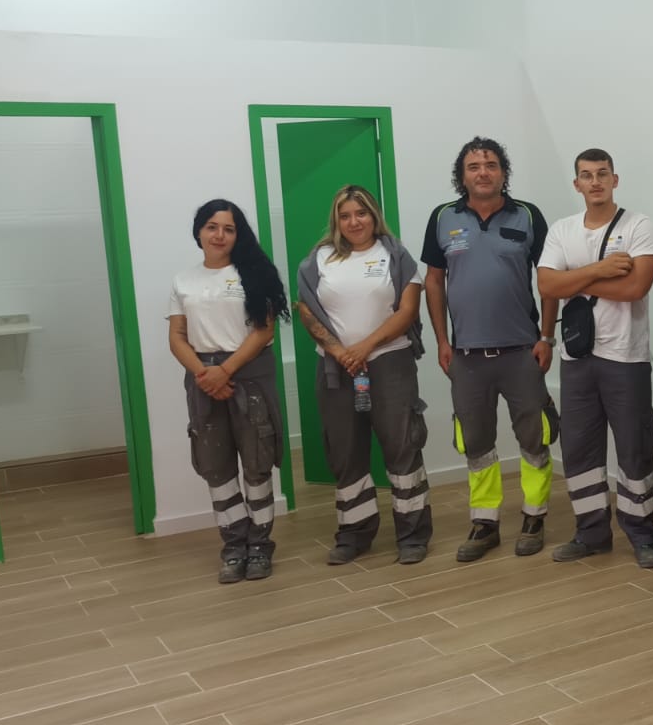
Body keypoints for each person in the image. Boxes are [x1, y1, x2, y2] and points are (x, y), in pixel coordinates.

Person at [422, 137, 559, 562]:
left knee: (534, 436)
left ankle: (534, 516)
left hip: (522, 351)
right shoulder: (443, 217)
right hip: (466, 355)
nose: (483, 172)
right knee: (475, 440)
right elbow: (433, 281)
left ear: (503, 172)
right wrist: (442, 340)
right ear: (462, 176)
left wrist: (546, 337)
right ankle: (485, 522)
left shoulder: (528, 215)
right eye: (474, 166)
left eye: (491, 165)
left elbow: (550, 279)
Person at [536, 149, 653, 567]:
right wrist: (599, 270)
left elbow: (635, 289)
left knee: (634, 448)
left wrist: (572, 278)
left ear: (615, 179)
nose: (595, 182)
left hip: (626, 357)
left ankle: (642, 535)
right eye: (587, 175)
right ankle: (591, 534)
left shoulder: (639, 225)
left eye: (602, 174)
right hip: (576, 358)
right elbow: (546, 286)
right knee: (579, 450)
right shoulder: (562, 229)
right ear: (576, 184)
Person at [295, 185, 432, 565]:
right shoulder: (318, 260)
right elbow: (306, 310)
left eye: (361, 213)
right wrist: (341, 352)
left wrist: (365, 347)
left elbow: (407, 311)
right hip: (336, 369)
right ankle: (354, 534)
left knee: (403, 446)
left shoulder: (396, 255)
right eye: (345, 216)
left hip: (390, 363)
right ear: (336, 221)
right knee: (345, 451)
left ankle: (412, 535)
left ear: (374, 216)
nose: (354, 222)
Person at [167, 199, 290, 584]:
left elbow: (263, 332)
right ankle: (234, 547)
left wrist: (225, 371)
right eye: (212, 227)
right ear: (199, 232)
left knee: (256, 464)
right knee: (216, 468)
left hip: (248, 376)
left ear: (239, 235)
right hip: (203, 379)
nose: (219, 235)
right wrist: (205, 374)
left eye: (229, 229)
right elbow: (177, 336)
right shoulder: (184, 280)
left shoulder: (254, 273)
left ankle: (260, 547)